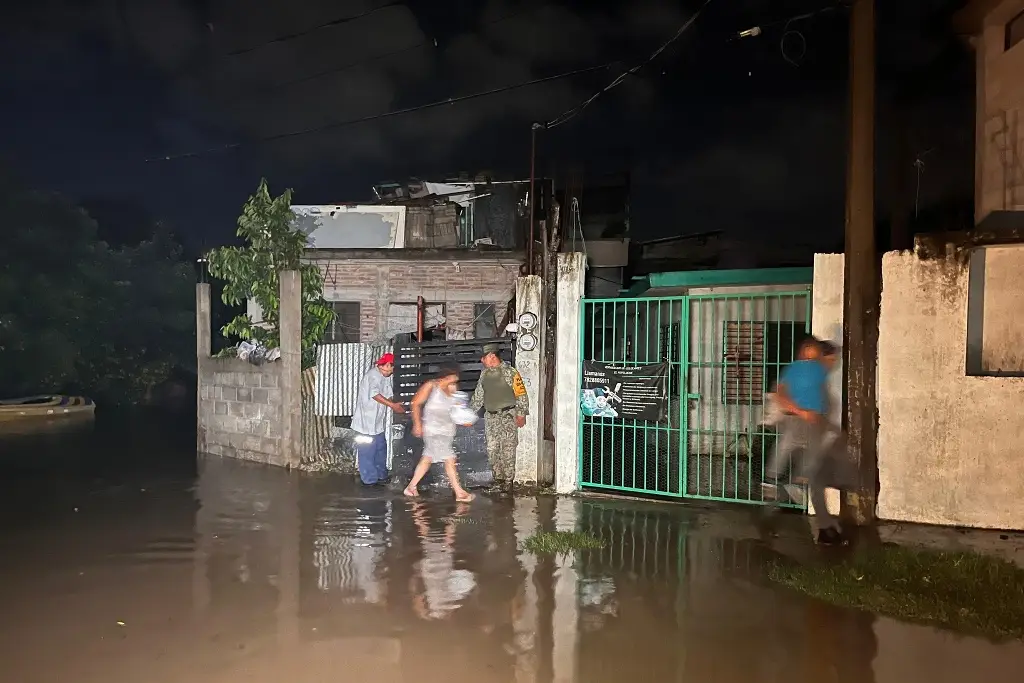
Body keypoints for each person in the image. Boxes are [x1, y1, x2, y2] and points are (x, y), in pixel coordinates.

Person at [763, 336, 845, 544]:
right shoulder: (804, 370)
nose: (833, 362)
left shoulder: (816, 373)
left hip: (811, 420)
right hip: (802, 419)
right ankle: (774, 482)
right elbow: (781, 393)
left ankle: (791, 484)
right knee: (792, 448)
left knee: (808, 456)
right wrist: (801, 411)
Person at [403, 363, 475, 502]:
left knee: (427, 458)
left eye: (455, 380)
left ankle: (411, 487)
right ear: (444, 377)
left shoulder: (453, 389)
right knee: (449, 458)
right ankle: (459, 492)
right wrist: (418, 424)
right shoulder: (431, 386)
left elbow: (457, 411)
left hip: (447, 430)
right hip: (433, 429)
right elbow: (415, 403)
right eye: (451, 379)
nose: (453, 383)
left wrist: (464, 419)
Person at [469, 343, 529, 490]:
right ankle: (498, 480)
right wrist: (469, 414)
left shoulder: (511, 373)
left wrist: (521, 414)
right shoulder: (484, 374)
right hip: (491, 417)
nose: (482, 361)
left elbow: (521, 394)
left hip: (508, 416)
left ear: (491, 356)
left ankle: (508, 483)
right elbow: (478, 396)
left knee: (508, 450)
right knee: (492, 449)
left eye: (483, 358)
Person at [351, 352, 405, 486]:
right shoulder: (372, 376)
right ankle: (369, 480)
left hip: (377, 423)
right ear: (387, 365)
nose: (393, 370)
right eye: (392, 367)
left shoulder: (385, 376)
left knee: (381, 448)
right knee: (367, 451)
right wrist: (393, 406)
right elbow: (375, 395)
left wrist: (396, 405)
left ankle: (381, 475)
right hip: (365, 423)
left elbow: (388, 395)